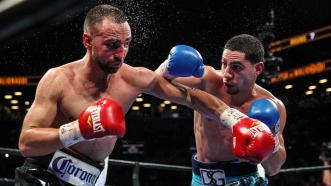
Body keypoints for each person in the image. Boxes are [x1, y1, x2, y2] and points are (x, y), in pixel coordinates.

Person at [15, 5, 276, 186]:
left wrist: (235, 120)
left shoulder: (132, 78)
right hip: (43, 174)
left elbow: (191, 97)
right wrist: (79, 128)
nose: (121, 53)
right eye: (112, 45)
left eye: (127, 44)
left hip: (91, 177)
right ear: (87, 41)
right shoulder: (57, 79)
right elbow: (27, 143)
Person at [156, 34, 287, 185]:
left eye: (236, 67)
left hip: (247, 179)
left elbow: (273, 169)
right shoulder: (208, 80)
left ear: (258, 68)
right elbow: (153, 81)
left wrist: (271, 137)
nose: (226, 74)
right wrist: (167, 67)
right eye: (224, 64)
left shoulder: (273, 106)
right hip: (201, 179)